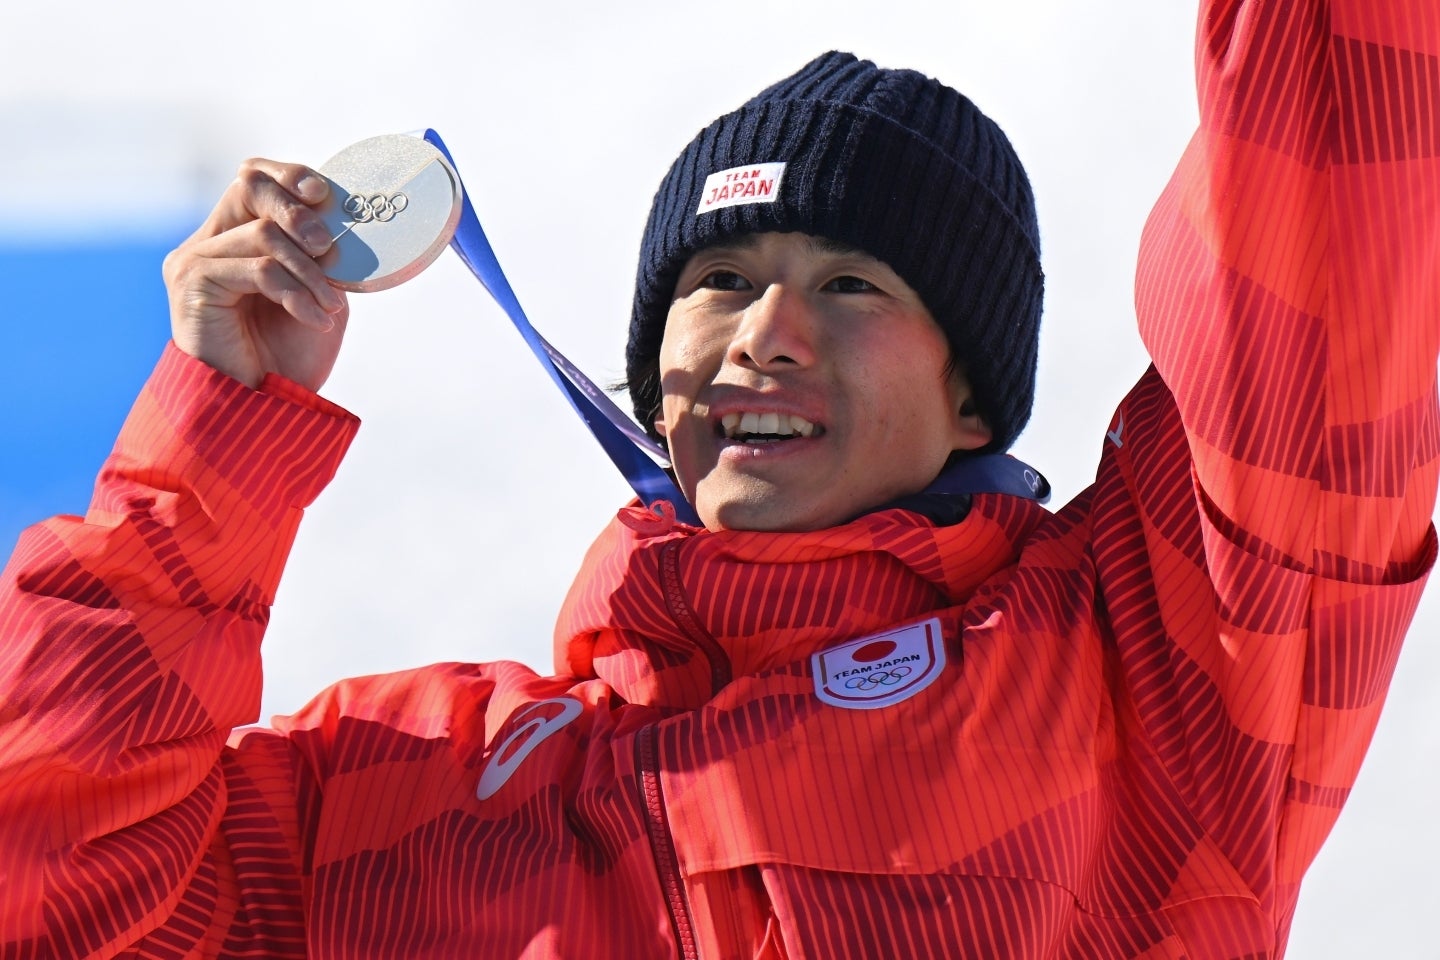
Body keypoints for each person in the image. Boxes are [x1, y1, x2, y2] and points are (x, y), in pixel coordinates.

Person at [2, 2, 1436, 958]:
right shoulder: (398, 792)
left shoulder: (1154, 675)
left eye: (854, 283)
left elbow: (1329, 197)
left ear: (972, 397)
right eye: (722, 280)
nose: (766, 332)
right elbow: (51, 890)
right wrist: (208, 456)